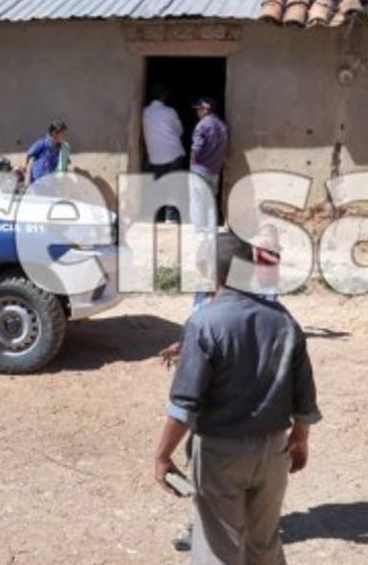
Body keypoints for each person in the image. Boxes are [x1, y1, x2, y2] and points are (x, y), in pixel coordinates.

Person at [154, 233, 320, 565]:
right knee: (264, 543)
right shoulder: (285, 321)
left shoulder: (205, 323)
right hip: (275, 449)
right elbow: (304, 392)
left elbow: (185, 405)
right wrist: (299, 438)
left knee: (219, 548)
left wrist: (162, 455)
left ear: (210, 273)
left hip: (221, 452)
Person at [142, 85, 185, 222]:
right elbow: (179, 131)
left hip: (155, 156)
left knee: (158, 187)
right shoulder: (169, 111)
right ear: (163, 97)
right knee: (173, 186)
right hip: (173, 154)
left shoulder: (145, 112)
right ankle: (170, 217)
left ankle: (156, 216)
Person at [189, 97, 229, 231]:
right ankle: (212, 228)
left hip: (200, 169)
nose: (197, 112)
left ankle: (199, 229)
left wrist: (192, 161)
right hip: (215, 170)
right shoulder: (222, 125)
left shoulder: (202, 125)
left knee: (197, 200)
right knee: (211, 201)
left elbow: (197, 147)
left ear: (206, 110)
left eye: (199, 109)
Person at [22, 119, 67, 185]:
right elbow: (28, 155)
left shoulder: (60, 148)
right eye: (62, 134)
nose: (64, 136)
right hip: (38, 182)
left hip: (51, 183)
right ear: (55, 133)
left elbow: (63, 164)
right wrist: (24, 166)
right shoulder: (42, 143)